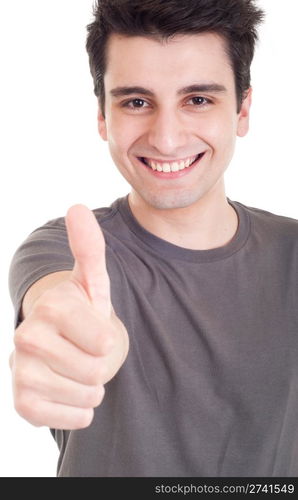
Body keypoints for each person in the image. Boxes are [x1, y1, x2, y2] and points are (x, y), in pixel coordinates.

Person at [8, 0, 298, 478]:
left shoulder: (293, 254)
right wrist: (69, 342)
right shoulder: (68, 250)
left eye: (198, 100)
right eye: (136, 102)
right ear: (102, 116)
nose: (166, 139)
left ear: (242, 110)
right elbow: (55, 302)